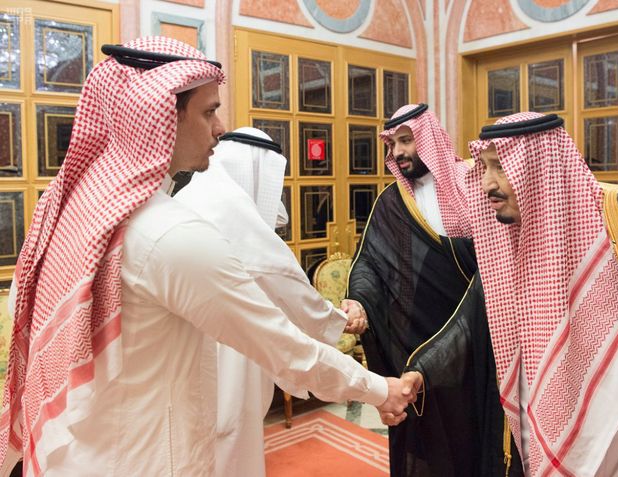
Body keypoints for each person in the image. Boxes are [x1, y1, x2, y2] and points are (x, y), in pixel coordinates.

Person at [0, 37, 415, 476]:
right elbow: (283, 346)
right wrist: (379, 389)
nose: (220, 128)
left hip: (72, 451)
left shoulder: (71, 211)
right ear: (158, 117)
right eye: (208, 111)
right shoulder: (167, 233)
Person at [403, 111, 618, 475]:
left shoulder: (617, 215)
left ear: (539, 168)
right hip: (538, 432)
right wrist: (421, 372)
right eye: (485, 168)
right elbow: (470, 324)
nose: (488, 183)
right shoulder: (504, 241)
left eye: (500, 167)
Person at [173, 127, 364, 476]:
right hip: (225, 345)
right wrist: (336, 320)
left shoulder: (197, 193)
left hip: (198, 339)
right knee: (231, 433)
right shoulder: (227, 204)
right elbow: (281, 276)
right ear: (254, 167)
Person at [344, 104, 521, 476]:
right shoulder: (392, 201)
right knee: (426, 441)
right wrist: (359, 301)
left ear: (428, 138)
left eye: (406, 140)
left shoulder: (475, 183)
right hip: (414, 342)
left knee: (477, 433)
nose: (399, 152)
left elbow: (501, 256)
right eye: (392, 144)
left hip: (481, 339)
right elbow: (370, 263)